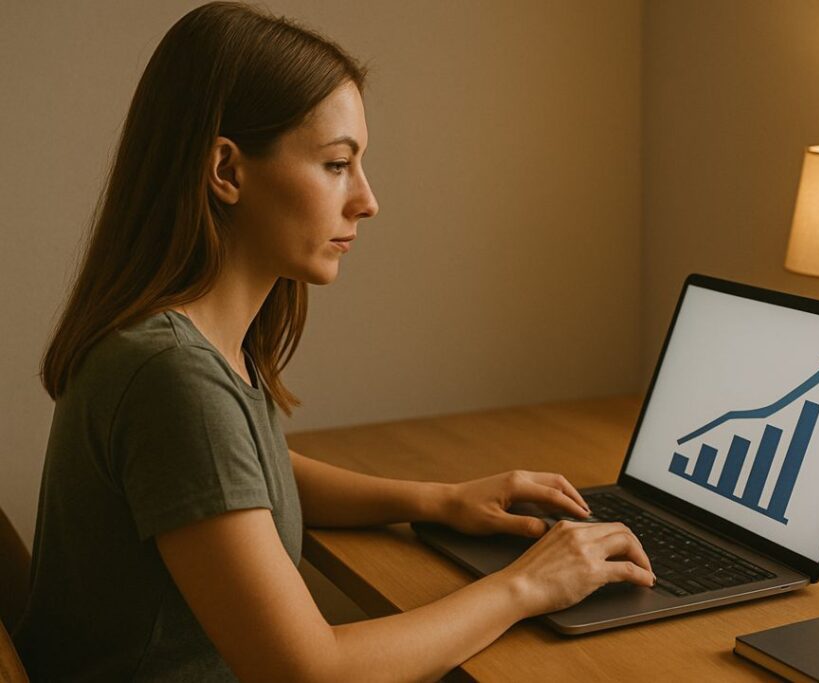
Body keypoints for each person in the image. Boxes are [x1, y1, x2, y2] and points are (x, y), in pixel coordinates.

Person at [15, 2, 655, 681]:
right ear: (227, 171)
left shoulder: (189, 344)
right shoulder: (171, 374)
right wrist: (528, 584)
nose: (367, 199)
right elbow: (309, 670)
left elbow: (246, 474)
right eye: (336, 164)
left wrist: (435, 500)